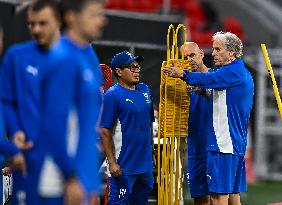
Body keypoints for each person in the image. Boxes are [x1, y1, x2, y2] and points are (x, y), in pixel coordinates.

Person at [164, 32, 254, 205]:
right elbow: (221, 96)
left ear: (231, 52)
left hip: (223, 144)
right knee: (233, 196)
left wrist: (182, 73)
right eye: (213, 49)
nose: (213, 53)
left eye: (218, 49)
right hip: (233, 144)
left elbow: (210, 78)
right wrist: (202, 91)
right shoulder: (237, 72)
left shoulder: (229, 73)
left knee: (217, 197)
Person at [41, 0, 106, 204]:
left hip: (82, 177)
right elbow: (53, 124)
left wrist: (90, 179)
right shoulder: (61, 58)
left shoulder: (87, 58)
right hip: (60, 180)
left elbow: (88, 124)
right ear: (71, 16)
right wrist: (71, 177)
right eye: (94, 14)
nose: (102, 20)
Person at [0, 0, 61, 204]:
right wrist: (15, 133)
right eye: (31, 23)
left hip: (62, 161)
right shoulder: (16, 56)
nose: (35, 29)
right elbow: (7, 101)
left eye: (42, 23)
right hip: (27, 160)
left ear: (58, 21)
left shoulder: (74, 59)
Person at [100, 51, 155, 205]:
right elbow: (104, 130)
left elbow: (149, 122)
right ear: (118, 71)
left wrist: (151, 152)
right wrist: (112, 162)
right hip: (123, 167)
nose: (137, 70)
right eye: (132, 67)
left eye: (137, 66)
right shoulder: (112, 95)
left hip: (145, 166)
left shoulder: (145, 90)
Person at [181, 42, 212, 205]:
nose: (189, 60)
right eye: (185, 58)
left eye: (192, 55)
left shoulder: (216, 78)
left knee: (219, 198)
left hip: (216, 148)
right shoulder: (181, 85)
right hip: (195, 149)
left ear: (201, 54)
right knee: (200, 199)